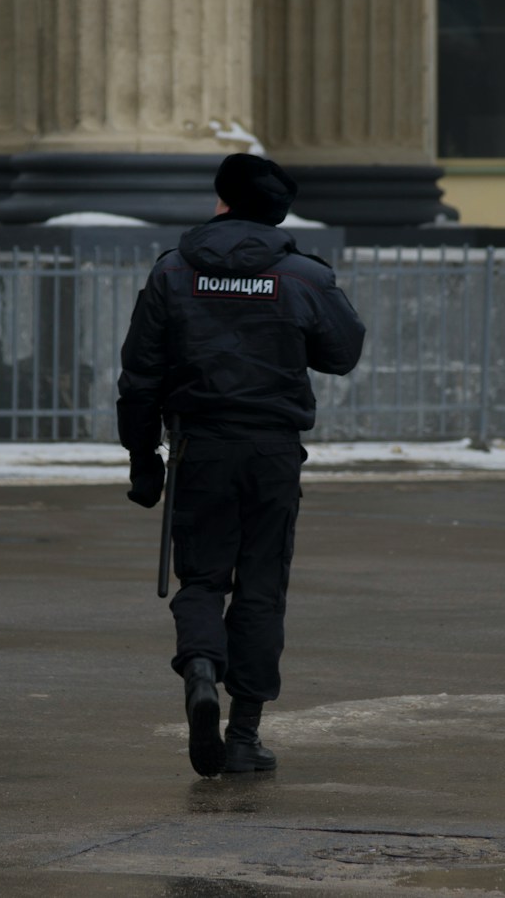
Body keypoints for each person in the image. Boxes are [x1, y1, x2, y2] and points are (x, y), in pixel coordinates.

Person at [117, 153, 366, 778]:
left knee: (201, 579)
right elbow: (342, 354)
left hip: (200, 448)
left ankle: (201, 668)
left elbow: (139, 376)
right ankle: (244, 734)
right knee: (261, 585)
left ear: (221, 201)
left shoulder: (172, 271)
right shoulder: (302, 276)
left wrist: (142, 458)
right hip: (272, 452)